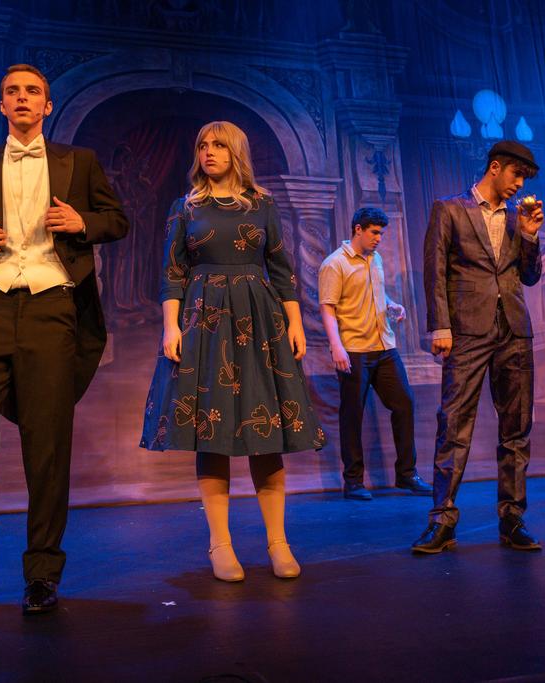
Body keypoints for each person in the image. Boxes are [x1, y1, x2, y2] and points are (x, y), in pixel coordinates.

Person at [0, 64, 128, 620]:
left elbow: (117, 220)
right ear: (1, 105)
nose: (22, 98)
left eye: (32, 91)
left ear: (47, 105)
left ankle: (42, 573)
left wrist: (81, 222)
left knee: (47, 444)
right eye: (12, 92)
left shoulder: (78, 161)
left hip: (52, 308)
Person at [140, 121, 325, 582]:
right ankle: (220, 544)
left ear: (236, 151)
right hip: (204, 319)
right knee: (213, 430)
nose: (209, 152)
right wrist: (170, 326)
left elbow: (281, 268)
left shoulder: (262, 204)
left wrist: (295, 323)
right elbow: (172, 273)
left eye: (219, 145)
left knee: (267, 431)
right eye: (203, 145)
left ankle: (278, 542)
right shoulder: (186, 207)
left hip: (258, 318)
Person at [413, 140, 545, 554]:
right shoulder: (450, 209)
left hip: (514, 330)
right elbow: (434, 271)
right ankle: (442, 520)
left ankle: (512, 518)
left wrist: (529, 236)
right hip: (467, 330)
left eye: (524, 179)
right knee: (453, 424)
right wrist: (440, 326)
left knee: (516, 427)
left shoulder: (517, 218)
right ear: (495, 167)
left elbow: (530, 277)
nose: (519, 185)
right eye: (516, 175)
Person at [319, 206, 431, 501]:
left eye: (381, 233)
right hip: (354, 350)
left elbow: (374, 293)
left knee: (404, 404)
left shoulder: (375, 258)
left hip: (384, 347)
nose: (379, 238)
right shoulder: (335, 264)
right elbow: (328, 308)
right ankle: (353, 481)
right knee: (352, 415)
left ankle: (406, 474)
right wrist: (336, 346)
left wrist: (390, 304)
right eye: (374, 232)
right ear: (358, 229)